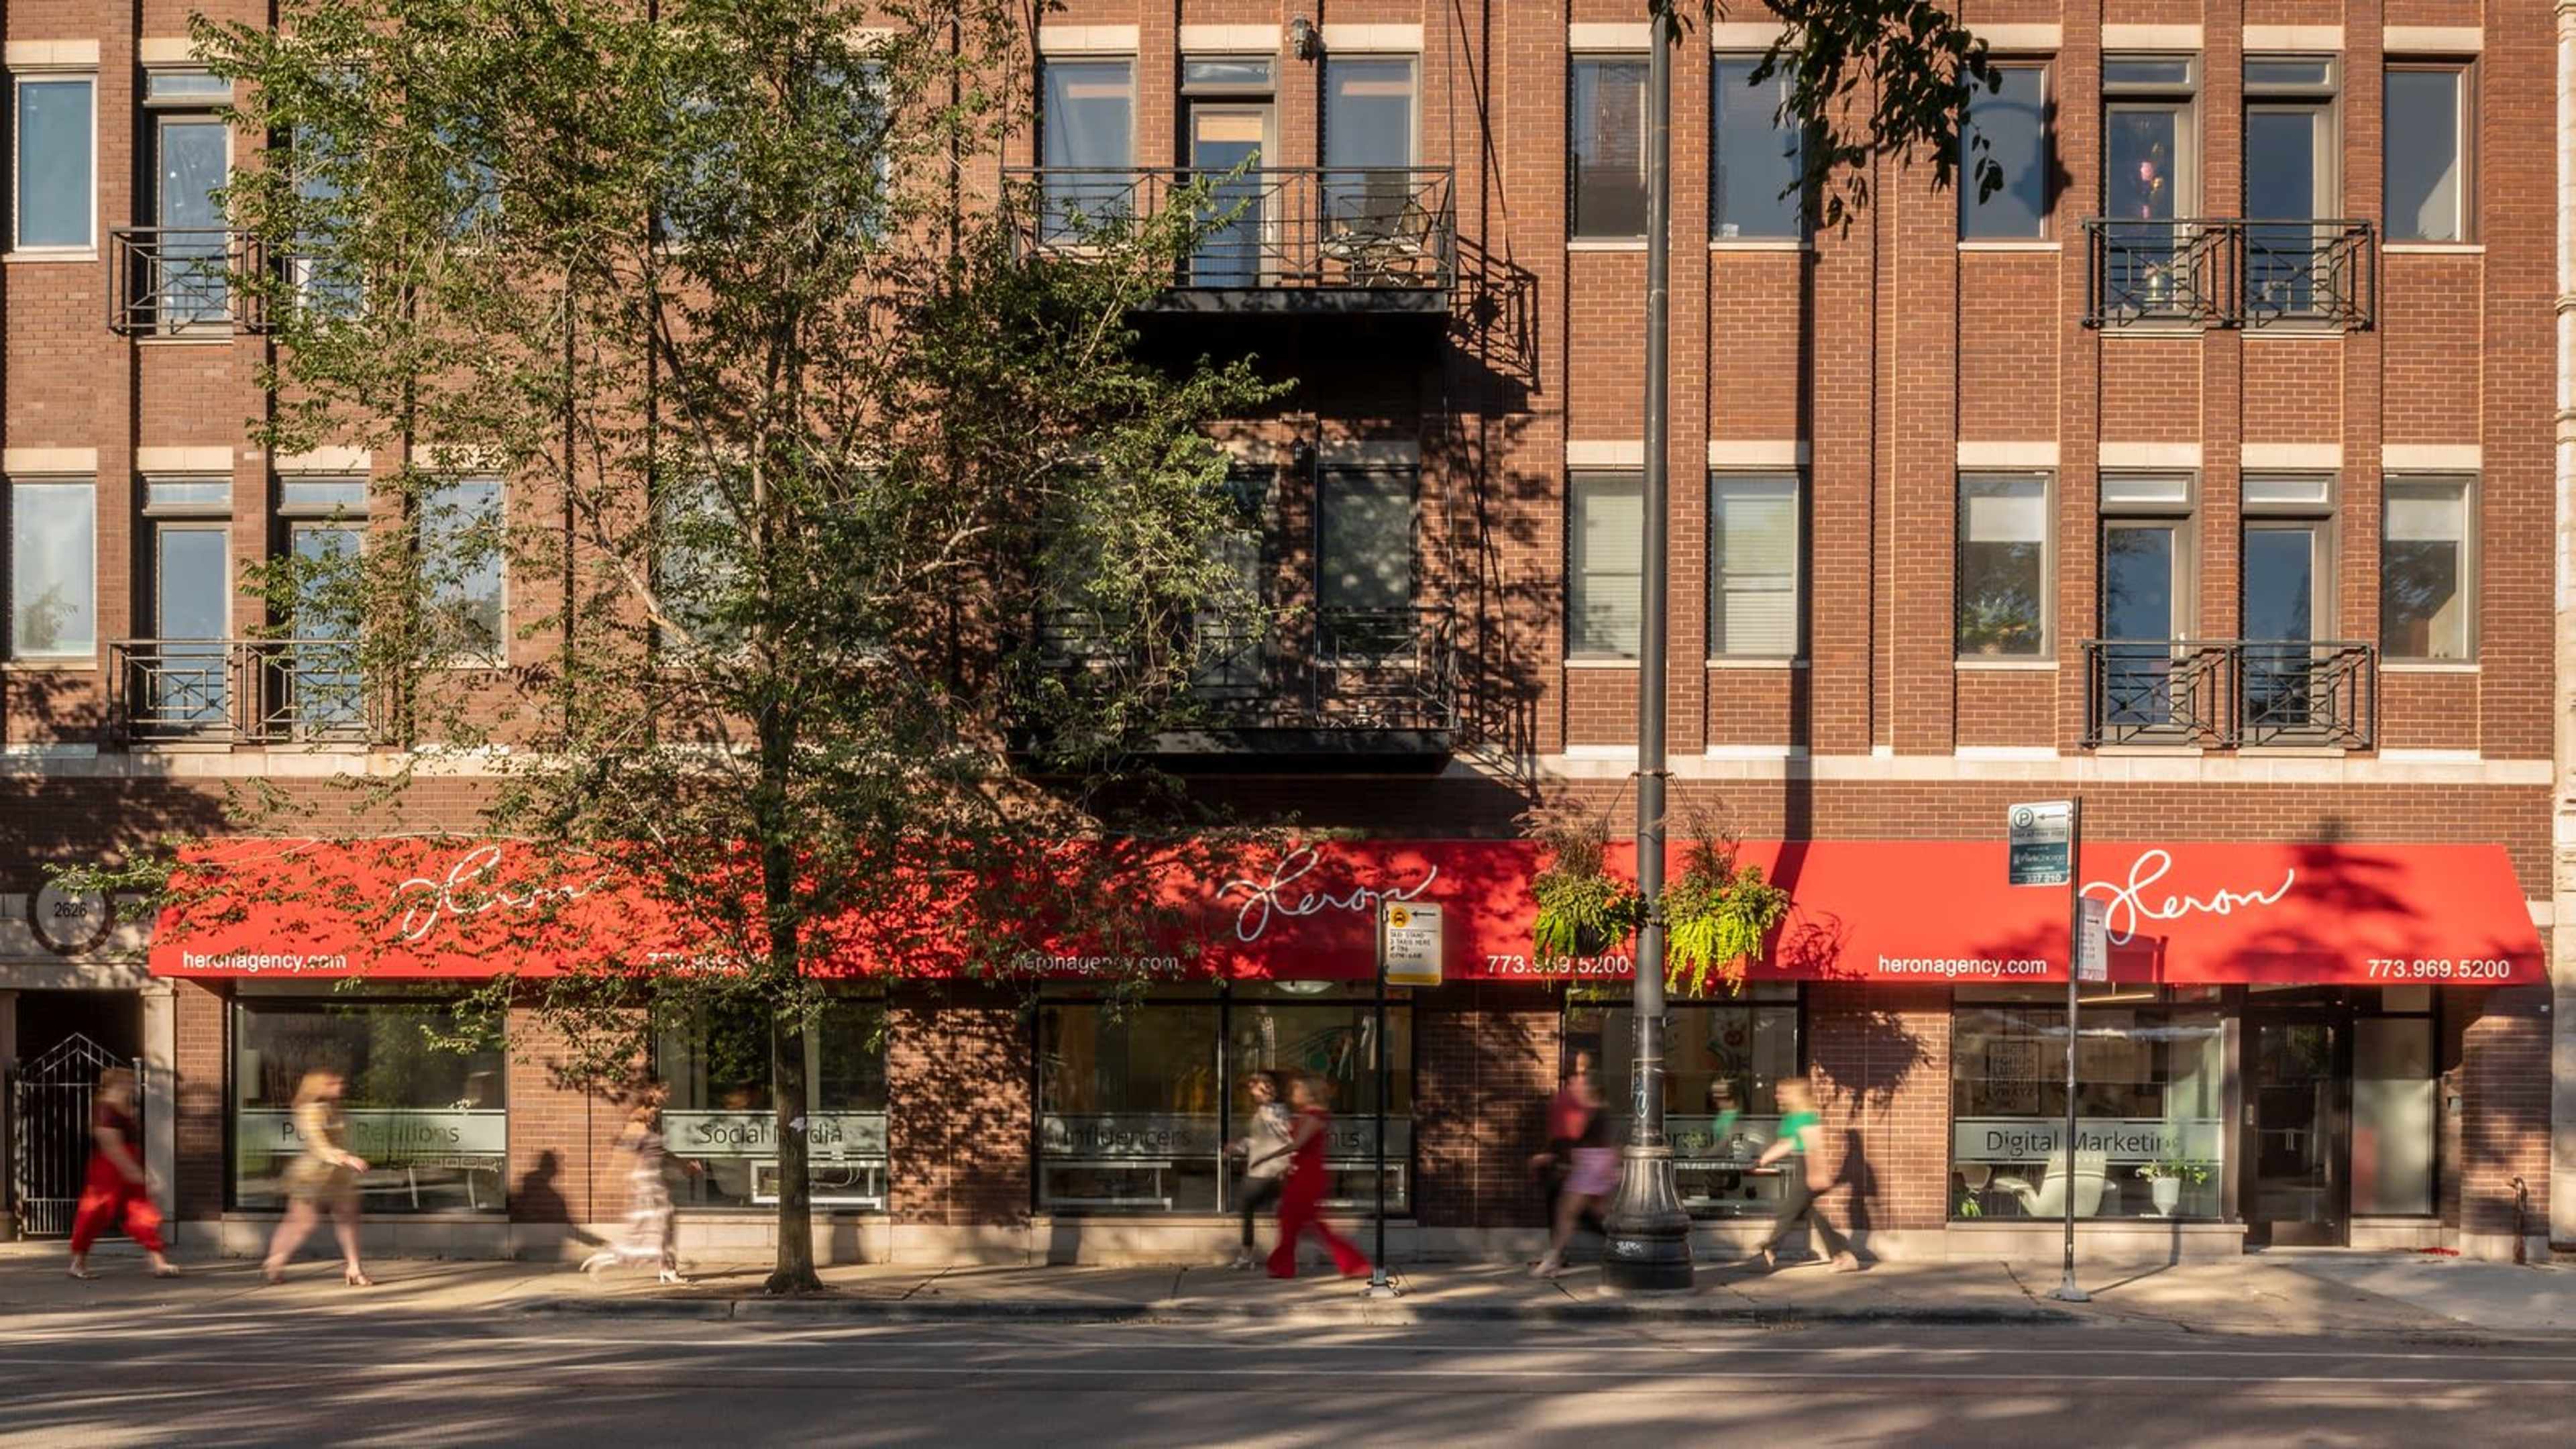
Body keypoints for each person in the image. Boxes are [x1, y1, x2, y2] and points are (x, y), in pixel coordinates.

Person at [262, 1069, 373, 1286]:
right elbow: (318, 1144)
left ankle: (354, 1267)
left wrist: (346, 1159)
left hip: (338, 1177)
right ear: (319, 1087)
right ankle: (275, 1261)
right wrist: (345, 1158)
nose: (340, 1087)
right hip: (312, 1176)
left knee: (348, 1220)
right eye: (333, 1083)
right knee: (302, 1223)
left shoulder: (335, 1108)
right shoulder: (310, 1111)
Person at [66, 1067, 177, 1281]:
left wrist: (140, 1171)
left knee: (143, 1212)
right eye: (128, 1083)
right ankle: (78, 1262)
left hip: (128, 1164)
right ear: (116, 1084)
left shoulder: (127, 1108)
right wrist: (133, 1171)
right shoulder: (104, 1109)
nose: (132, 1087)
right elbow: (111, 1146)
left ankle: (158, 1262)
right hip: (108, 1171)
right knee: (94, 1215)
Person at [1267, 1073, 1371, 1280]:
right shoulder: (1306, 1114)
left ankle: (1354, 1264)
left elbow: (1298, 1145)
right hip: (1301, 1173)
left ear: (1308, 1093)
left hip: (1309, 1176)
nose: (1292, 1094)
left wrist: (1267, 1157)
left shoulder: (1315, 1116)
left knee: (1300, 1222)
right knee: (1294, 1221)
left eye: (1296, 1090)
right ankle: (1283, 1266)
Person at [1752, 1073, 1859, 1273]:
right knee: (1812, 1213)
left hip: (1807, 1168)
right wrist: (1763, 1160)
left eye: (1782, 1093)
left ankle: (1769, 1250)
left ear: (1795, 1095)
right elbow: (1788, 1144)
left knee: (1788, 1211)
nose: (1777, 1096)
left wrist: (1816, 1173)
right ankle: (1842, 1255)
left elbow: (1814, 1145)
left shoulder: (1806, 1116)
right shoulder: (1794, 1117)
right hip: (1802, 1166)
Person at [585, 1093, 692, 1283]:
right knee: (646, 1233)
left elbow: (660, 1151)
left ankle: (667, 1268)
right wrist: (610, 1178)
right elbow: (621, 1155)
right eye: (654, 1107)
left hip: (656, 1182)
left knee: (665, 1227)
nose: (657, 1110)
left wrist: (682, 1163)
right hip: (645, 1184)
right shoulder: (635, 1128)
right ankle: (609, 1256)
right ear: (642, 1107)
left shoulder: (651, 1127)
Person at [1532, 1065, 1614, 1277]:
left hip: (1591, 1163)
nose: (1576, 1082)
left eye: (1580, 1078)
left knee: (1566, 1213)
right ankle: (1627, 1248)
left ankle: (1554, 1259)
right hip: (1597, 1162)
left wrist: (1554, 1156)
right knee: (1597, 1214)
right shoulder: (1596, 1105)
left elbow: (1573, 1134)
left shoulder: (1587, 1104)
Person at [1534, 1051, 1606, 1241]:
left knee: (1579, 1212)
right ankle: (1555, 1257)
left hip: (1577, 1163)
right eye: (1575, 1074)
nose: (1578, 1078)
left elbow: (1576, 1131)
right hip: (1568, 1161)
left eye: (1583, 1073)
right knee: (1565, 1209)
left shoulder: (1586, 1099)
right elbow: (1560, 1129)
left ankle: (1621, 1244)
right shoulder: (1569, 1097)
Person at [1225, 1070, 1293, 1270]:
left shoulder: (1274, 1111)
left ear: (1265, 1089)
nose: (1251, 1093)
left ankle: (1250, 1256)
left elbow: (1288, 1138)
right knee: (1252, 1210)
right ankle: (1255, 1255)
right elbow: (1258, 1140)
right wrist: (1237, 1147)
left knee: (1248, 1208)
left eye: (1254, 1089)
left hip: (1267, 1170)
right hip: (1261, 1168)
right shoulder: (1263, 1111)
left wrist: (1286, 1164)